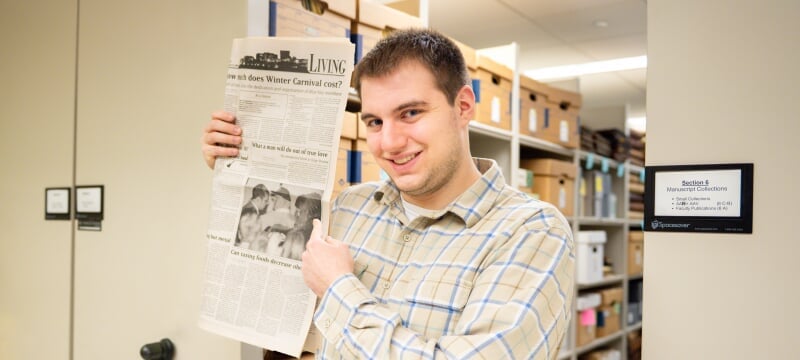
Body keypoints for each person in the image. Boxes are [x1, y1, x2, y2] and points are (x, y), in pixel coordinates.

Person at [202, 28, 574, 359]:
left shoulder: (533, 232)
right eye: (375, 122)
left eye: (410, 113)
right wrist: (238, 163)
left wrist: (338, 289)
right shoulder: (347, 207)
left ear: (462, 107)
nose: (390, 142)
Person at [236, 183, 270, 249]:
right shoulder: (251, 212)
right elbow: (248, 236)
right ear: (258, 199)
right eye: (265, 201)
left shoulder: (248, 207)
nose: (266, 204)